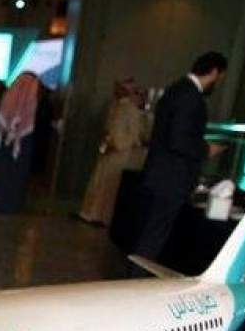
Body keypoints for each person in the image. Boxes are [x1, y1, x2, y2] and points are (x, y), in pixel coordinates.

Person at [130, 52, 228, 273]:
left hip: (160, 176)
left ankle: (134, 280)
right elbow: (178, 140)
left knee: (148, 235)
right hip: (171, 180)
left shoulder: (175, 89)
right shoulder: (190, 96)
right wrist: (206, 149)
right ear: (214, 72)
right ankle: (135, 284)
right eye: (219, 78)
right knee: (152, 239)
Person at [76, 77, 148, 226]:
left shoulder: (131, 109)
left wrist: (118, 145)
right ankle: (89, 213)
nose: (115, 91)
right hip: (108, 150)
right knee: (98, 182)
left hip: (120, 154)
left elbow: (135, 135)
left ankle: (102, 217)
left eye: (118, 88)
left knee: (109, 186)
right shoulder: (116, 106)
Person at [0, 72, 52, 213]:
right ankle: (7, 203)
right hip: (18, 142)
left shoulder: (10, 97)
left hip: (11, 141)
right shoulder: (32, 101)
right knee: (11, 174)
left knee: (7, 173)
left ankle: (0, 202)